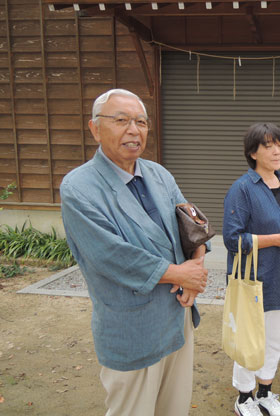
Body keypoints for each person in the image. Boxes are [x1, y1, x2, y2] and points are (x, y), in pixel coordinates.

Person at [60, 89, 209, 415]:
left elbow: (191, 225)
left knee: (175, 407)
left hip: (177, 315)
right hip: (132, 327)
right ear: (95, 129)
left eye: (141, 122)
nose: (134, 130)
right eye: (121, 120)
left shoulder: (158, 174)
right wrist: (180, 274)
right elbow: (110, 255)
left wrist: (196, 266)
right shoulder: (78, 188)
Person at [223, 122, 280, 416]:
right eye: (268, 145)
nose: (277, 151)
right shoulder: (242, 189)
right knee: (248, 340)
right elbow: (232, 240)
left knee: (274, 340)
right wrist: (277, 239)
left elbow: (279, 223)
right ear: (253, 153)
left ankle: (265, 392)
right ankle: (244, 397)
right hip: (252, 278)